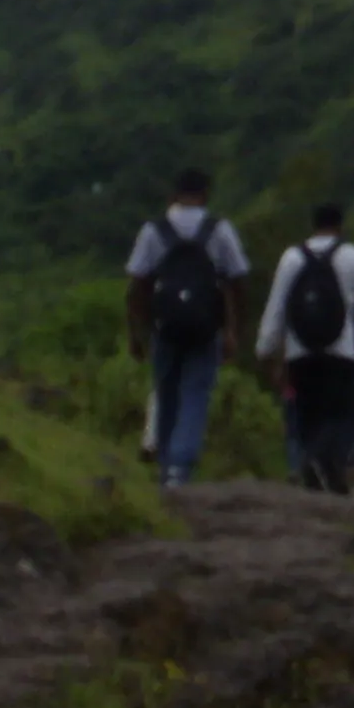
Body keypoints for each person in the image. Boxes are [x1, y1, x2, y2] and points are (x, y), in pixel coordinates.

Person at [122, 170, 248, 492]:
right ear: (205, 194)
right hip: (206, 328)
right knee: (195, 394)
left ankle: (166, 468)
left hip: (165, 328)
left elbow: (136, 285)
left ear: (174, 194)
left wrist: (137, 333)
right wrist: (232, 329)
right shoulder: (219, 230)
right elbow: (235, 281)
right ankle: (180, 467)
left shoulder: (154, 230)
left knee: (166, 394)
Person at [252, 205, 354, 497]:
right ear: (340, 225)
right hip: (342, 351)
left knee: (309, 416)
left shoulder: (291, 257)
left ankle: (316, 468)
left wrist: (265, 349)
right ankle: (324, 462)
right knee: (344, 414)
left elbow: (277, 306)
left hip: (300, 353)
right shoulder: (352, 255)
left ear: (313, 224)